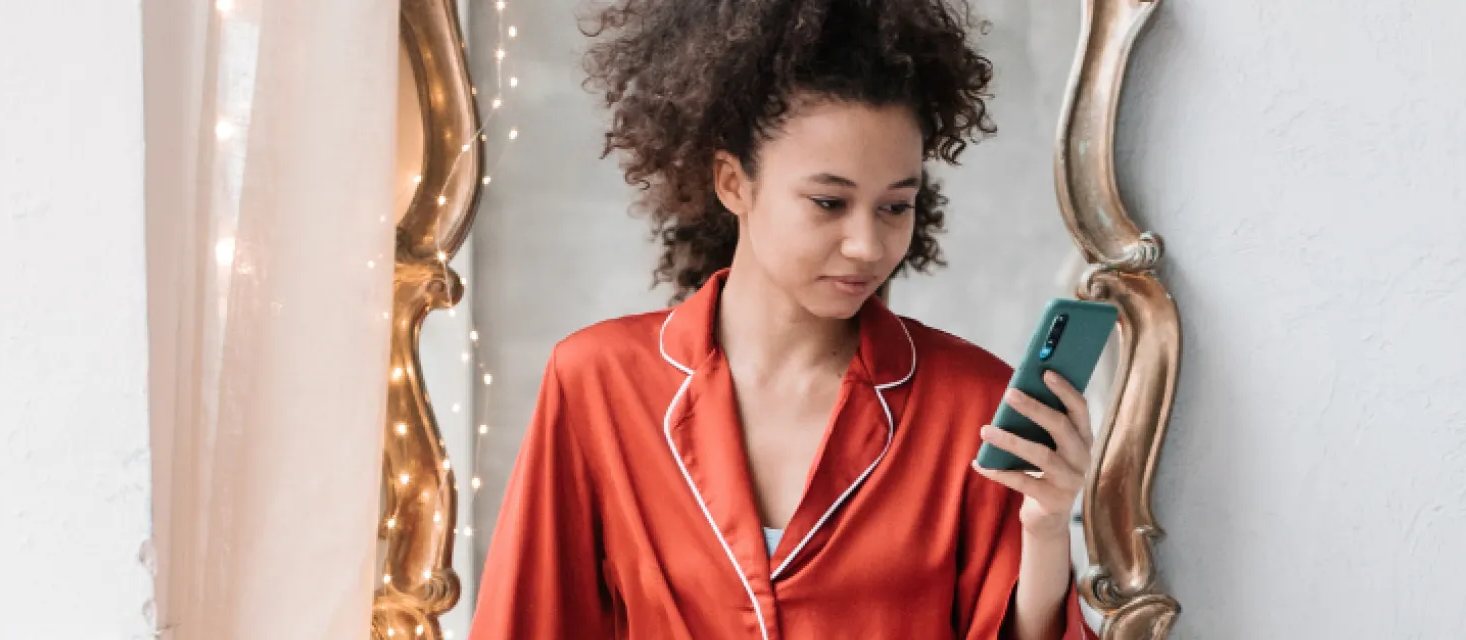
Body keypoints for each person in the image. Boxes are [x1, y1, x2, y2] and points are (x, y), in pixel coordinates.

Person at [469, 0, 1095, 637]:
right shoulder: (598, 383)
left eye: (894, 206)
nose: (867, 245)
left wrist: (1045, 529)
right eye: (829, 202)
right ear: (733, 183)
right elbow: (529, 620)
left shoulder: (973, 407)